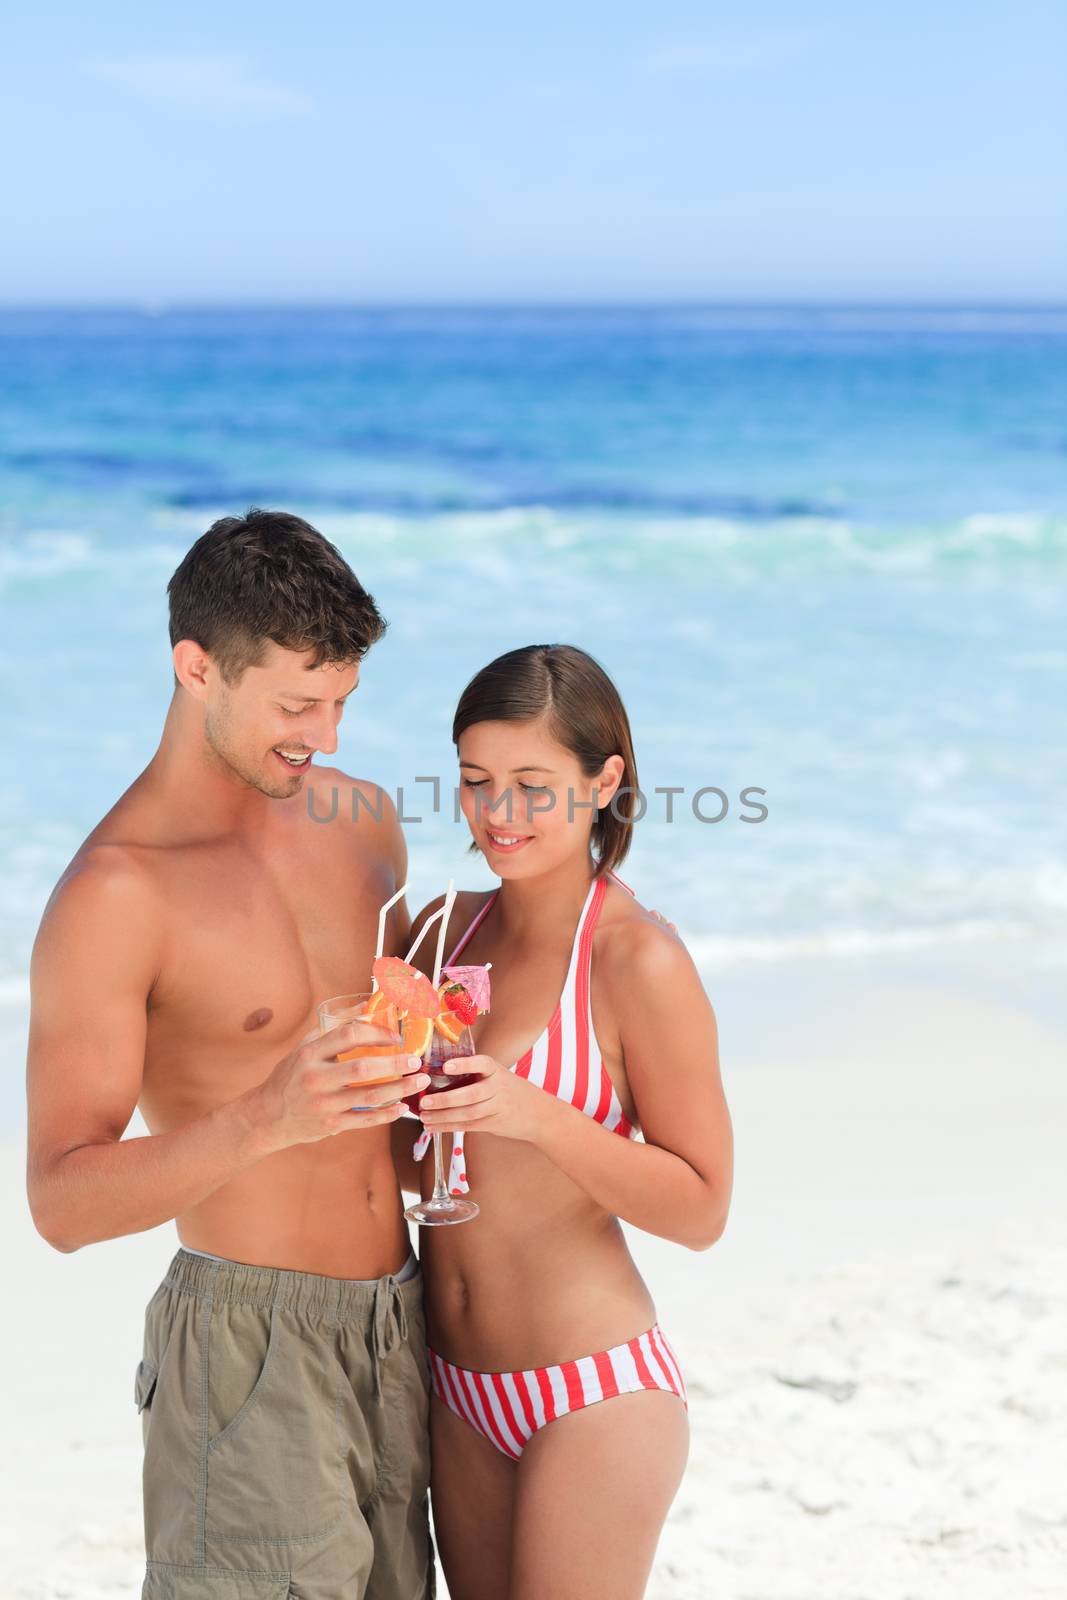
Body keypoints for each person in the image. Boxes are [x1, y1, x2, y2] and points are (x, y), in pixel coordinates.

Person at [26, 509, 437, 1600]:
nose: (329, 737)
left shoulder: (364, 824)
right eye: (298, 704)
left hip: (405, 1322)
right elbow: (61, 1203)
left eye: (343, 702)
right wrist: (266, 1116)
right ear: (196, 666)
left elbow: (397, 1085)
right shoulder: (118, 894)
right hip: (250, 1345)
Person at [397, 643, 733, 1600]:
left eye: (533, 786)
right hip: (456, 1392)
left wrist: (537, 1116)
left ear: (605, 781)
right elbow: (415, 1165)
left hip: (590, 1392)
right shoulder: (440, 930)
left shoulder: (637, 961)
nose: (499, 815)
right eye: (476, 782)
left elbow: (703, 1208)